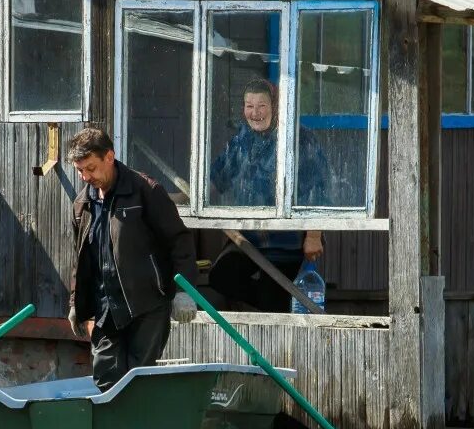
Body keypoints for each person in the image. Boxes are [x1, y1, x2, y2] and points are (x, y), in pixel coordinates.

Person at [66, 128, 199, 391]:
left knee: (138, 381)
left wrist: (185, 292)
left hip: (147, 305)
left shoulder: (145, 191)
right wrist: (75, 302)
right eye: (80, 171)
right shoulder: (82, 204)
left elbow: (179, 241)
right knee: (106, 382)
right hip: (105, 308)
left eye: (90, 168)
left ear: (110, 157)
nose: (86, 177)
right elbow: (81, 260)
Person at [208, 78, 328, 312]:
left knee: (270, 300)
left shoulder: (299, 140)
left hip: (286, 243)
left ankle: (279, 305)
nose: (255, 113)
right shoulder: (242, 140)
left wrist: (314, 234)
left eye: (261, 106)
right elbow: (217, 178)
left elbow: (320, 189)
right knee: (221, 276)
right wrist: (184, 198)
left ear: (274, 106)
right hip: (248, 239)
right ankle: (278, 303)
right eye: (249, 106)